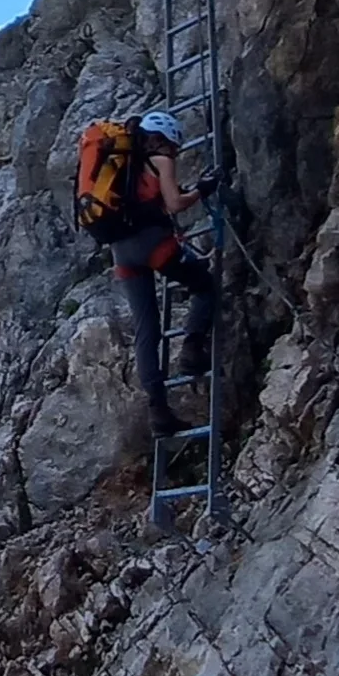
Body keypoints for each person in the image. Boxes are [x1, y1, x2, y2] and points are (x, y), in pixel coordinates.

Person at [107, 109, 217, 439]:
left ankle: (159, 411)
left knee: (146, 329)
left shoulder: (122, 164)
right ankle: (192, 351)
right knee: (205, 285)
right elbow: (175, 203)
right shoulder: (159, 161)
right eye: (172, 146)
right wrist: (203, 189)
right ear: (163, 140)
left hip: (121, 252)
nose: (174, 153)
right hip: (153, 244)